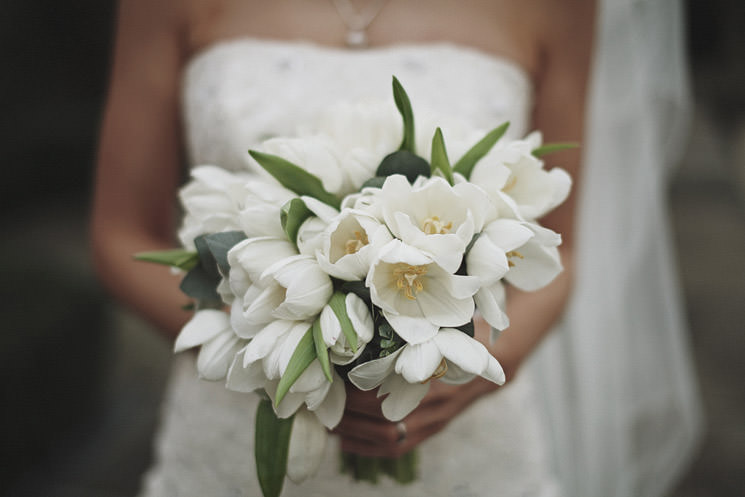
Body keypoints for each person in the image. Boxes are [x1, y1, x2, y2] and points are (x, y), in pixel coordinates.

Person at [91, 0, 701, 496]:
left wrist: (481, 369)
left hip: (461, 426)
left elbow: (556, 251)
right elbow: (121, 238)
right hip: (234, 419)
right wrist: (268, 334)